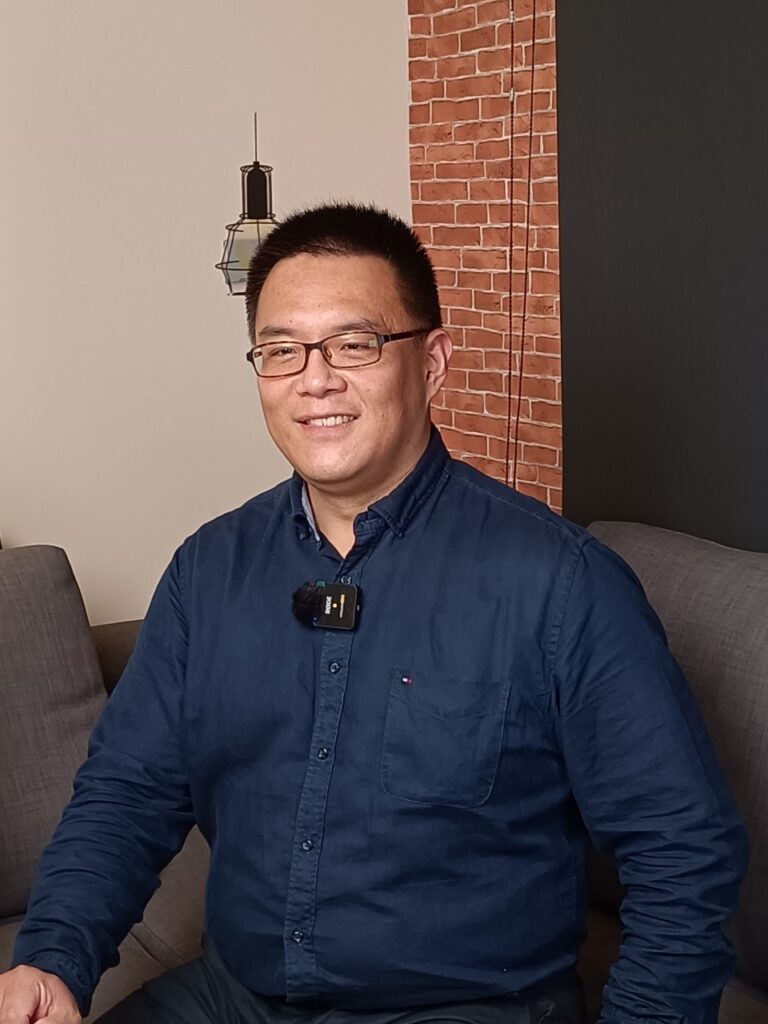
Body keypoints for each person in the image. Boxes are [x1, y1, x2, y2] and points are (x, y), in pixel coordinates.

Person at [2, 203, 748, 1024]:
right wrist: (52, 958)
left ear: (432, 362)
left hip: (461, 1008)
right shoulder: (207, 572)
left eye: (354, 344)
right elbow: (127, 793)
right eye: (281, 350)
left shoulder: (562, 584)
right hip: (234, 997)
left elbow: (683, 852)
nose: (314, 379)